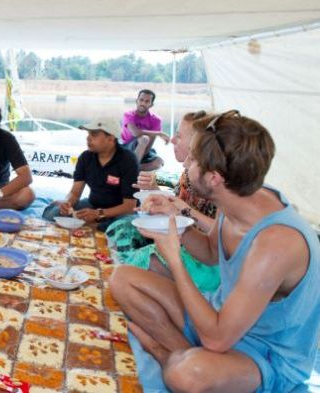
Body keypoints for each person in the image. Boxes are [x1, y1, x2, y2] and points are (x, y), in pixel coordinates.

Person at [110, 110, 320, 392]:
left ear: (214, 178)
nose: (186, 162)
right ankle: (183, 355)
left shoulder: (275, 245)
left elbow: (218, 340)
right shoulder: (238, 194)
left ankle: (169, 357)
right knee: (122, 278)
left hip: (265, 353)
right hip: (218, 315)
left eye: (193, 158)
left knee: (188, 376)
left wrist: (174, 259)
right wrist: (176, 223)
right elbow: (211, 251)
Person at [105, 111, 220, 293]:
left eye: (179, 136)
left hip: (199, 255)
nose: (172, 140)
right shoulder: (188, 175)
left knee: (135, 260)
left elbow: (214, 241)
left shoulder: (217, 183)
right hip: (187, 242)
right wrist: (156, 194)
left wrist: (181, 210)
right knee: (120, 228)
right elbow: (177, 208)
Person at [42, 117, 138, 231]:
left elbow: (130, 206)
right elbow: (75, 193)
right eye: (88, 134)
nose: (88, 138)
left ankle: (97, 226)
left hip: (119, 212)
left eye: (94, 134)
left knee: (126, 227)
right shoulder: (85, 158)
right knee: (51, 215)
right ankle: (94, 226)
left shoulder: (128, 160)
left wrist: (98, 214)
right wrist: (67, 204)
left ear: (111, 138)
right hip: (92, 205)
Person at [121, 89, 170, 171]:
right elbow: (135, 133)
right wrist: (159, 133)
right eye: (141, 100)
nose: (143, 103)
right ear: (137, 101)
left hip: (144, 149)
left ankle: (131, 168)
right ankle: (132, 168)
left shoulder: (156, 119)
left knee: (159, 162)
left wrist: (143, 155)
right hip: (126, 147)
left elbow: (151, 142)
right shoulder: (128, 115)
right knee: (144, 138)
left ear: (151, 104)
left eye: (147, 101)